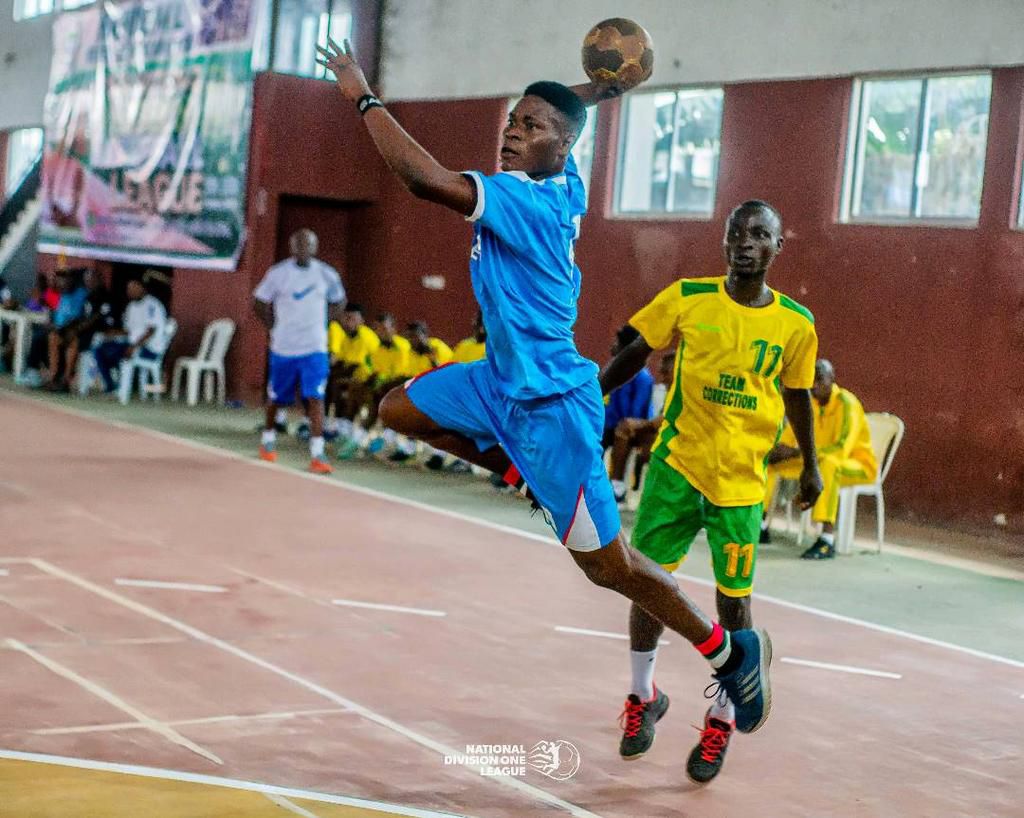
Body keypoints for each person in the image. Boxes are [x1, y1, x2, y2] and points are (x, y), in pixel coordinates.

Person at [316, 39, 775, 735]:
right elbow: (561, 115)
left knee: (610, 567)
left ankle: (728, 650)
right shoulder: (564, 178)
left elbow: (421, 178)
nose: (512, 131)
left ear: (560, 147)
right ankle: (514, 468)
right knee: (399, 409)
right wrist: (596, 91)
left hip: (553, 404)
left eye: (529, 127)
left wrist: (362, 95)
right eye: (511, 121)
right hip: (498, 382)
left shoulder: (522, 200)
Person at [600, 200, 822, 784]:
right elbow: (635, 351)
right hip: (676, 468)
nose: (745, 242)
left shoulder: (796, 323)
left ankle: (721, 715)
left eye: (759, 234)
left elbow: (797, 395)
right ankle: (643, 695)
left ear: (778, 246)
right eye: (736, 233)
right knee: (648, 584)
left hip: (742, 482)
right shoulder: (689, 297)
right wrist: (591, 395)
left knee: (734, 604)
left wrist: (811, 465)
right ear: (724, 241)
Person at [763, 359, 877, 559]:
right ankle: (760, 524)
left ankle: (826, 539)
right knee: (771, 463)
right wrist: (779, 450)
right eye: (811, 380)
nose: (814, 385)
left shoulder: (847, 403)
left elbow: (841, 447)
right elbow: (789, 439)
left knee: (829, 466)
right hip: (817, 460)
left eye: (820, 380)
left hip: (857, 464)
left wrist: (798, 453)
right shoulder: (810, 403)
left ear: (832, 379)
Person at [253, 228, 346, 474]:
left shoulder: (326, 274)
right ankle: (268, 437)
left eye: (308, 245)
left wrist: (324, 322)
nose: (304, 249)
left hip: (314, 348)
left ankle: (317, 452)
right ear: (292, 247)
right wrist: (272, 326)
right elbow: (259, 301)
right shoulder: (278, 273)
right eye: (299, 245)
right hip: (284, 347)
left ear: (315, 247)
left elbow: (340, 300)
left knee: (316, 397)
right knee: (277, 397)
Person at [607, 351, 675, 503]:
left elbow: (664, 420)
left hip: (679, 442)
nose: (662, 378)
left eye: (666, 373)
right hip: (659, 434)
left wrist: (640, 424)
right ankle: (616, 486)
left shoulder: (686, 390)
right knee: (623, 430)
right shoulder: (670, 390)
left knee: (628, 427)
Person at [389, 320, 454, 466]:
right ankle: (409, 448)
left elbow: (446, 375)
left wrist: (432, 358)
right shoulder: (412, 353)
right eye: (409, 337)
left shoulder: (438, 348)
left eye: (416, 336)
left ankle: (439, 455)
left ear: (425, 335)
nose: (412, 340)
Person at [93, 277, 168, 394]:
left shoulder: (152, 305)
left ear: (142, 288)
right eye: (128, 289)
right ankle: (111, 386)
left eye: (133, 288)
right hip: (132, 344)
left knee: (119, 353)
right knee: (100, 350)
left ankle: (124, 388)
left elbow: (150, 331)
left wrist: (134, 347)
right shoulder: (131, 306)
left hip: (150, 348)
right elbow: (128, 331)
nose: (130, 291)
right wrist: (112, 334)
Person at [326, 303, 380, 455]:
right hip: (353, 377)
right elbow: (342, 361)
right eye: (347, 318)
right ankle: (338, 429)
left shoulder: (367, 338)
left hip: (368, 380)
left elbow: (361, 366)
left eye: (353, 319)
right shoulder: (346, 337)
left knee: (346, 388)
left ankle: (351, 434)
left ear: (361, 321)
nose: (348, 322)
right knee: (332, 383)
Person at [62, 269, 119, 392]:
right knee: (58, 337)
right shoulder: (88, 296)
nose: (89, 283)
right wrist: (71, 327)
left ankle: (66, 380)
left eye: (92, 280)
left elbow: (97, 317)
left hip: (99, 333)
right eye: (87, 281)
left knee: (74, 341)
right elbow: (82, 317)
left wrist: (77, 330)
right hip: (85, 331)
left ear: (99, 280)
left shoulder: (106, 296)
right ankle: (57, 376)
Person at [603, 324, 654, 448]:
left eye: (617, 342)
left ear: (626, 349)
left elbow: (637, 409)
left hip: (628, 429)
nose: (613, 345)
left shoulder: (642, 377)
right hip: (610, 424)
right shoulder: (613, 369)